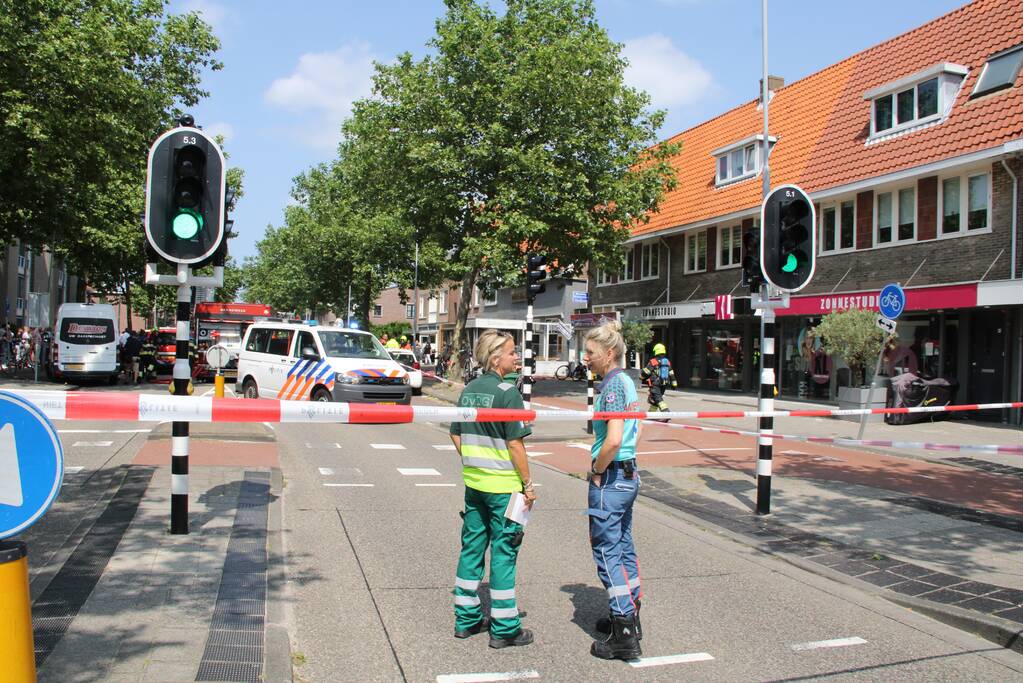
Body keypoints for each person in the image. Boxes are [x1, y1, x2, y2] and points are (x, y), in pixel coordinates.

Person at [449, 329, 536, 649]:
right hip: (503, 488)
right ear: (495, 357)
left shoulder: (469, 389)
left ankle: (467, 619)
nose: (517, 357)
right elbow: (515, 444)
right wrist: (528, 485)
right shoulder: (508, 393)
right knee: (504, 552)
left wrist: (473, 461)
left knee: (471, 548)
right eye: (513, 352)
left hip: (474, 484)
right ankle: (505, 626)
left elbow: (455, 434)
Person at [583, 320, 643, 661]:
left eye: (590, 353)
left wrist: (596, 469)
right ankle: (630, 615)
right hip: (628, 474)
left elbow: (615, 438)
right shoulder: (626, 383)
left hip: (612, 478)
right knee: (622, 546)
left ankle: (623, 633)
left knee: (606, 552)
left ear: (609, 353)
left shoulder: (614, 386)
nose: (585, 358)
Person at [640, 342, 677, 414]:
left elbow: (646, 372)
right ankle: (650, 414)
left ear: (656, 351)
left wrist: (641, 377)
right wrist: (674, 384)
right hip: (664, 384)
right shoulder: (667, 362)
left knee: (658, 399)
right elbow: (671, 373)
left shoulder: (653, 361)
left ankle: (666, 412)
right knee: (655, 400)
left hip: (655, 384)